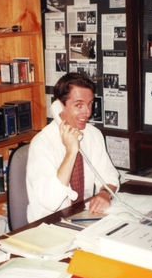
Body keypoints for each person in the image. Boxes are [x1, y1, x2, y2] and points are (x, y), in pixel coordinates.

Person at [26, 73, 119, 222]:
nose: (87, 112)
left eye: (90, 104)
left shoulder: (93, 134)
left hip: (84, 217)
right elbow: (51, 201)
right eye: (79, 105)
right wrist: (71, 152)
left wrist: (104, 194)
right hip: (49, 225)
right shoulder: (42, 143)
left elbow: (109, 174)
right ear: (59, 105)